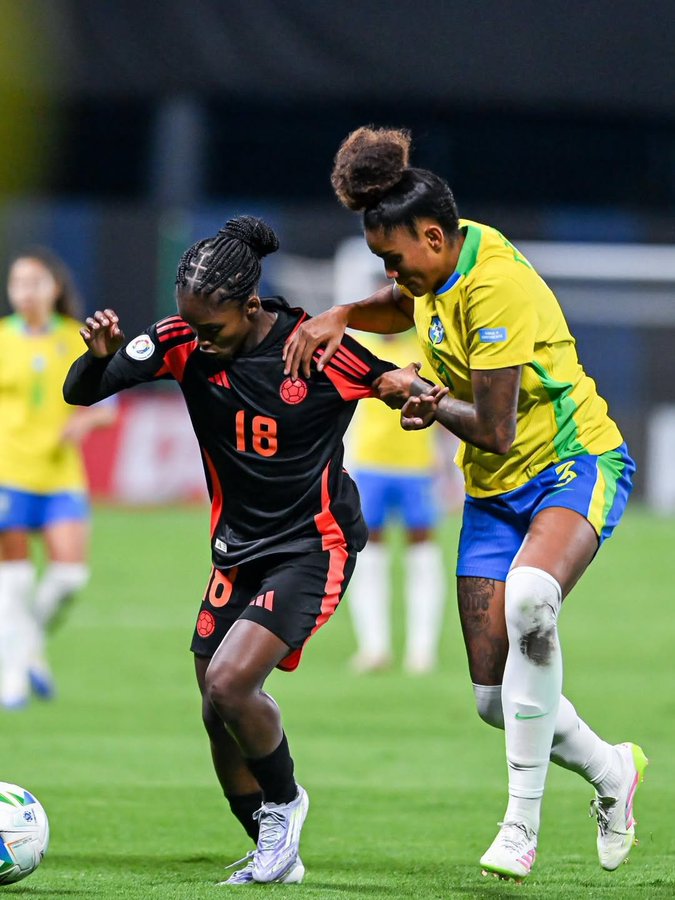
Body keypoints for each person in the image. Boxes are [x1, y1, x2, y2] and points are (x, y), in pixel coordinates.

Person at [283, 126, 648, 882]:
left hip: (571, 463)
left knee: (532, 599)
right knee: (493, 699)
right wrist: (342, 314)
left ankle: (520, 825)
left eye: (394, 259)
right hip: (493, 489)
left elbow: (493, 426)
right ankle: (611, 770)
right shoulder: (439, 264)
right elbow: (402, 304)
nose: (392, 274)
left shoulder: (495, 287)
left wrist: (413, 393)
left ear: (432, 236)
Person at [62, 215, 403, 886]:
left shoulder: (313, 348)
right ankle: (273, 848)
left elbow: (394, 384)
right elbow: (82, 391)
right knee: (216, 710)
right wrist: (99, 356)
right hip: (236, 553)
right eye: (190, 324)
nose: (199, 338)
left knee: (230, 683)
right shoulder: (180, 339)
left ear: (250, 306)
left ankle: (286, 805)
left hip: (313, 545)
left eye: (211, 327)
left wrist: (417, 395)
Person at [0, 248, 117, 709]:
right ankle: (11, 677)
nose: (25, 292)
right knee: (15, 579)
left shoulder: (76, 337)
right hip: (9, 472)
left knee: (69, 577)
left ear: (55, 288)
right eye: (17, 283)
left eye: (35, 282)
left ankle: (28, 647)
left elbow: (108, 406)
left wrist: (84, 421)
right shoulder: (2, 338)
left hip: (61, 474)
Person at [347, 328, 446, 674]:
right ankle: (374, 647)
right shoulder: (361, 347)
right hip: (370, 464)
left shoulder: (424, 348)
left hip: (417, 465)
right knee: (368, 552)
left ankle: (422, 650)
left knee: (422, 552)